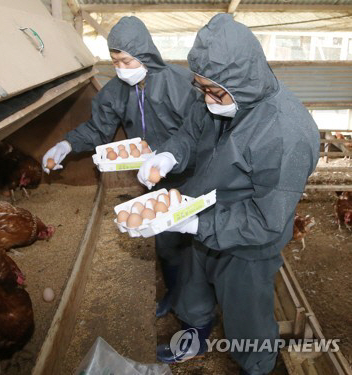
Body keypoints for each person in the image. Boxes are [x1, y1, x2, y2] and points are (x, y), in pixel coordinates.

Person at [137, 14, 320, 374]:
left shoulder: (287, 134)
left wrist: (195, 223)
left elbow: (266, 221)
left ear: (241, 81)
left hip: (248, 239)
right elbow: (190, 133)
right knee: (193, 288)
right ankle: (196, 335)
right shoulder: (218, 96)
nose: (206, 97)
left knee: (246, 313)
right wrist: (170, 154)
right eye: (201, 87)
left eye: (213, 90)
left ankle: (256, 366)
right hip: (204, 208)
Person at [42, 16, 204, 317]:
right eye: (115, 61)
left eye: (127, 61)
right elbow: (98, 129)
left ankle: (198, 301)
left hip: (190, 171)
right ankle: (174, 295)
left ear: (144, 55)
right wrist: (66, 144)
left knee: (198, 240)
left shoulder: (179, 84)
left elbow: (197, 133)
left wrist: (169, 155)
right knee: (167, 240)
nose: (121, 69)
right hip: (154, 177)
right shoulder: (115, 92)